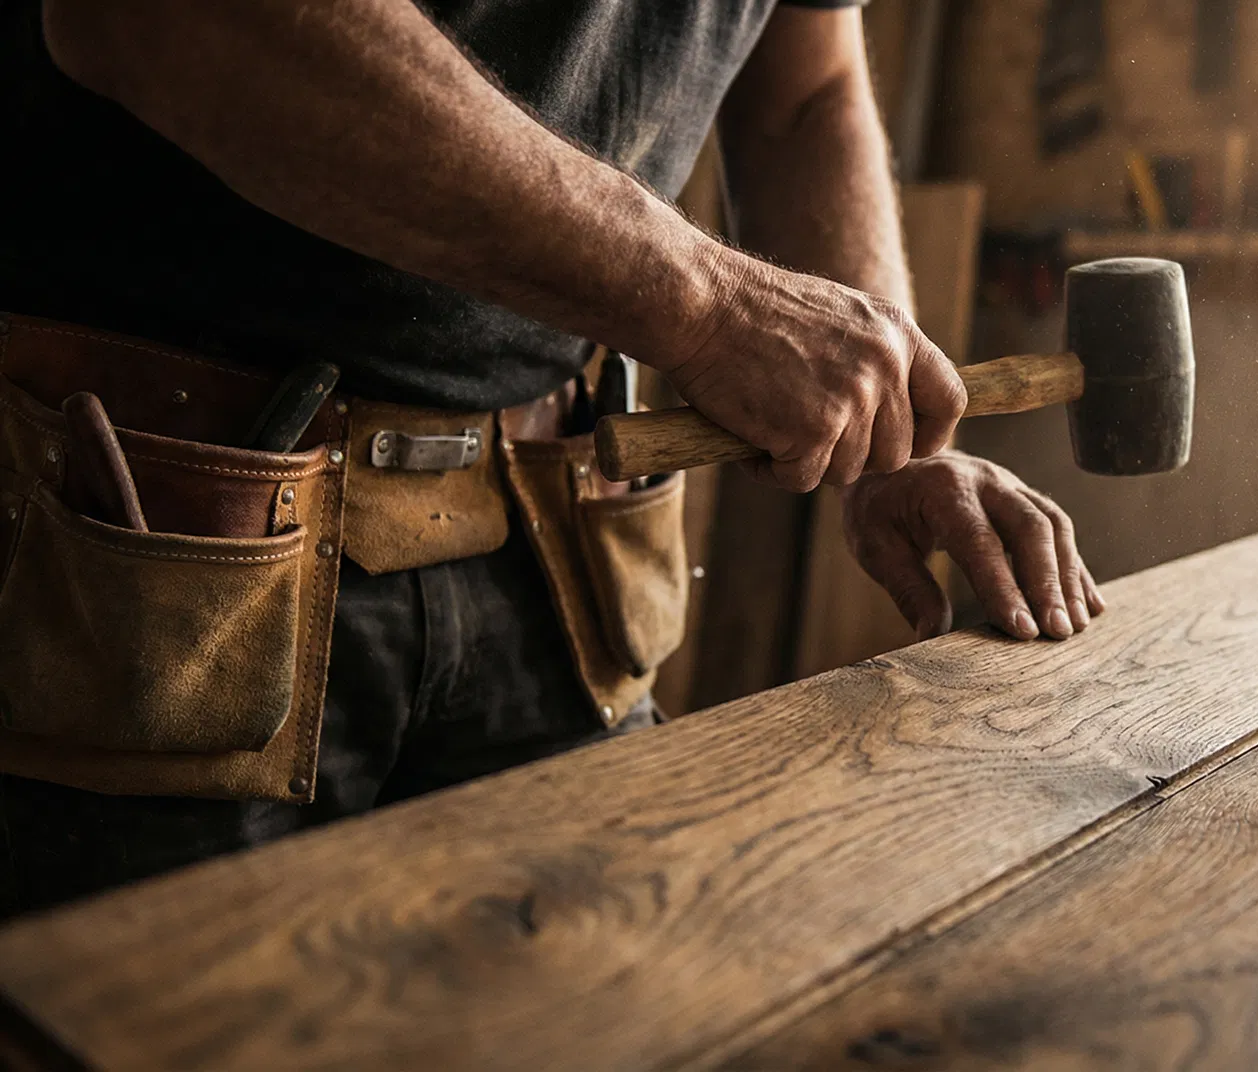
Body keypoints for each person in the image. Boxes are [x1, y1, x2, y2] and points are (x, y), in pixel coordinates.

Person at [0, 0, 1100, 920]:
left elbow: (809, 90)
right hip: (149, 536)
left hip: (555, 533)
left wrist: (882, 410)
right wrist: (707, 305)